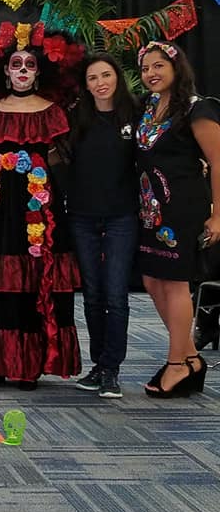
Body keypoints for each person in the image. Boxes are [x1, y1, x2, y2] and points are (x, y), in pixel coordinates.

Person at [0, 21, 84, 390]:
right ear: (5, 69)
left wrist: (52, 179)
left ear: (39, 70)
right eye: (17, 64)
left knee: (35, 283)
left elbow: (65, 158)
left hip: (43, 211)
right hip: (7, 210)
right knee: (3, 286)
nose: (23, 71)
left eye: (30, 64)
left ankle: (28, 365)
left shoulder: (53, 112)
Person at [135, 40, 220, 397]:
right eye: (145, 69)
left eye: (158, 66)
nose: (151, 74)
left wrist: (218, 215)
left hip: (184, 209)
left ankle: (175, 364)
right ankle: (190, 357)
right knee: (153, 282)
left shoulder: (197, 110)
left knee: (175, 284)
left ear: (175, 68)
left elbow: (218, 162)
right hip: (150, 209)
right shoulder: (147, 108)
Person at [66, 54, 139, 399]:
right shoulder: (75, 117)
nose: (100, 83)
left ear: (117, 78)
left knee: (116, 294)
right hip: (82, 216)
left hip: (123, 217)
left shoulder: (135, 115)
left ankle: (113, 369)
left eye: (106, 75)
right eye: (93, 78)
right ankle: (98, 365)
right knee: (92, 294)